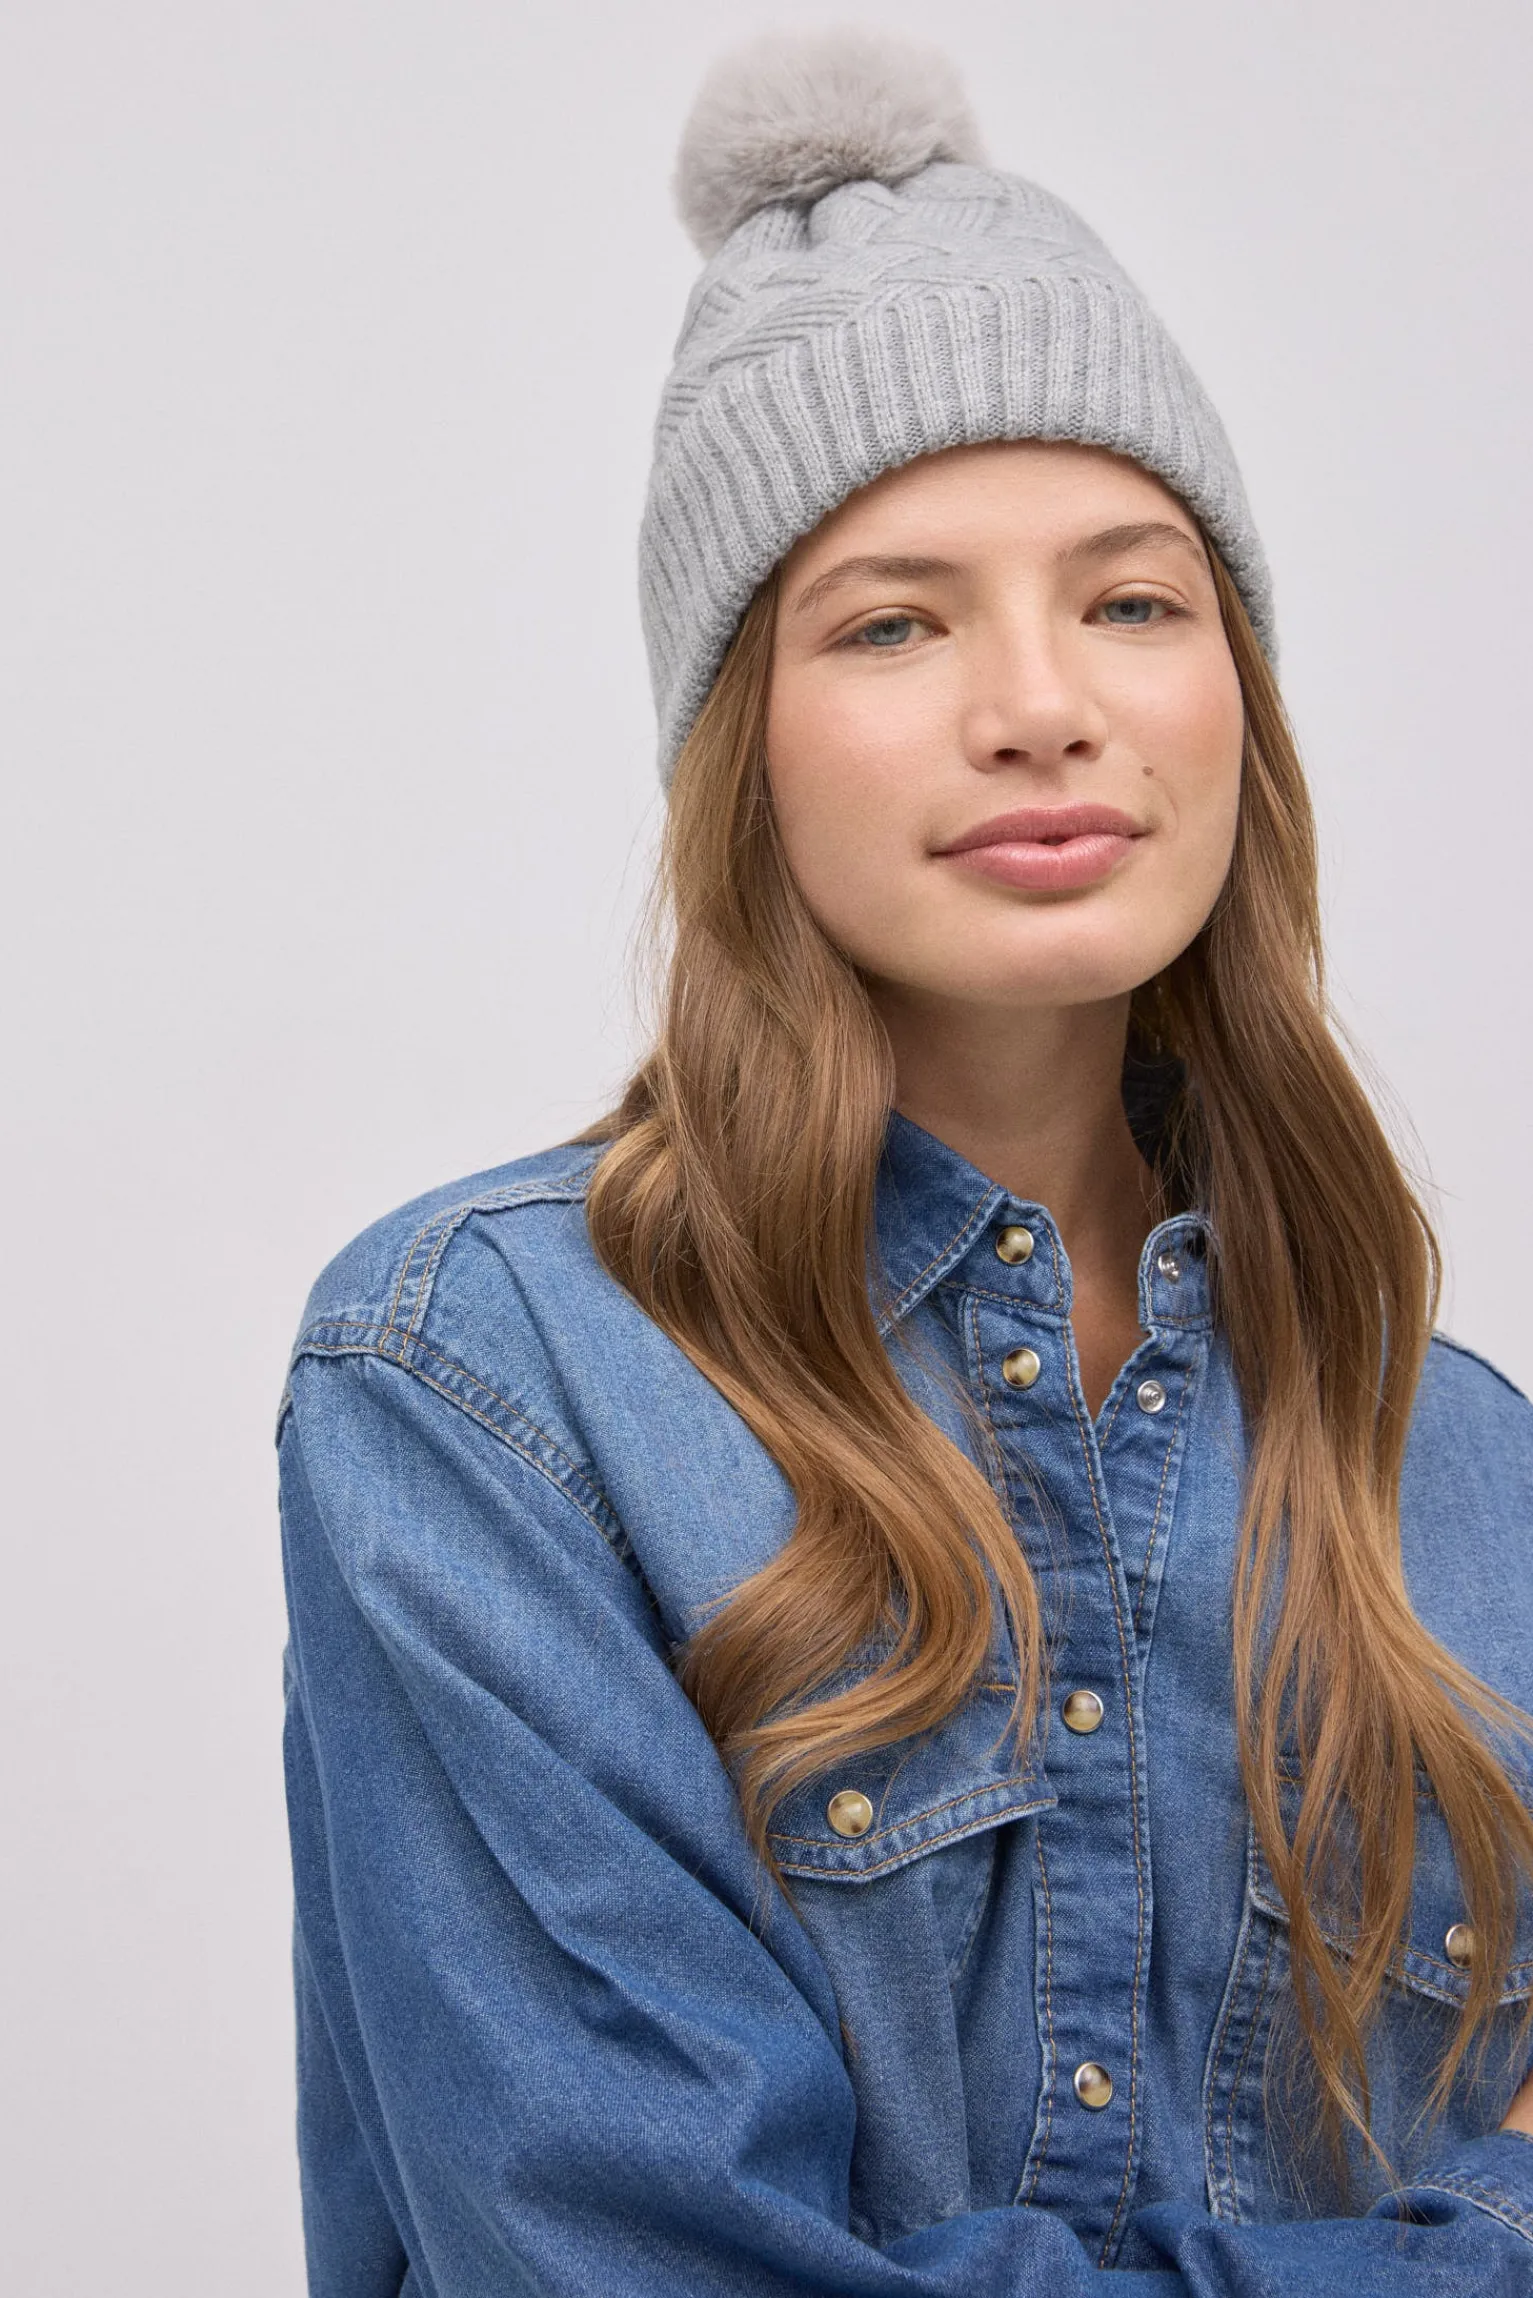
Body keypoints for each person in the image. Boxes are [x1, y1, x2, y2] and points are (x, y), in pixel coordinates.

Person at [277, 31, 1533, 2295]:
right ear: (738, 746)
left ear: (1236, 693)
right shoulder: (485, 1386)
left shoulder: (1456, 1464)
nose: (1042, 704)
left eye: (1133, 599)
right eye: (891, 620)